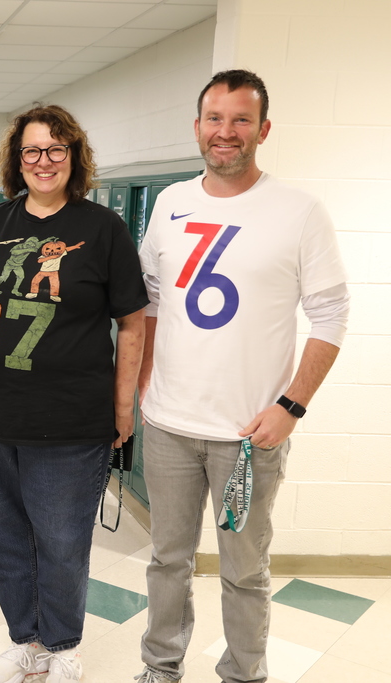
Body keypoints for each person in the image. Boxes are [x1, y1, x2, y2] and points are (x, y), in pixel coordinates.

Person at [134, 70, 350, 683]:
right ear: (197, 126)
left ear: (263, 129)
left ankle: (244, 674)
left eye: (240, 120)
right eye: (214, 118)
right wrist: (143, 384)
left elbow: (332, 314)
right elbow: (151, 299)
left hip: (249, 436)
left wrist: (291, 406)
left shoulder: (299, 211)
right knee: (167, 561)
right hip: (169, 427)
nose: (225, 131)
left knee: (244, 570)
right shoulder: (171, 202)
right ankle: (160, 668)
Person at [0, 105, 147, 683]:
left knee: (61, 542)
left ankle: (63, 646)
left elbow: (132, 324)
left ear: (74, 156)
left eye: (56, 149)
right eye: (32, 151)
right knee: (4, 538)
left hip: (70, 420)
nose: (44, 161)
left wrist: (123, 408)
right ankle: (27, 641)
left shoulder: (102, 229)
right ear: (17, 160)